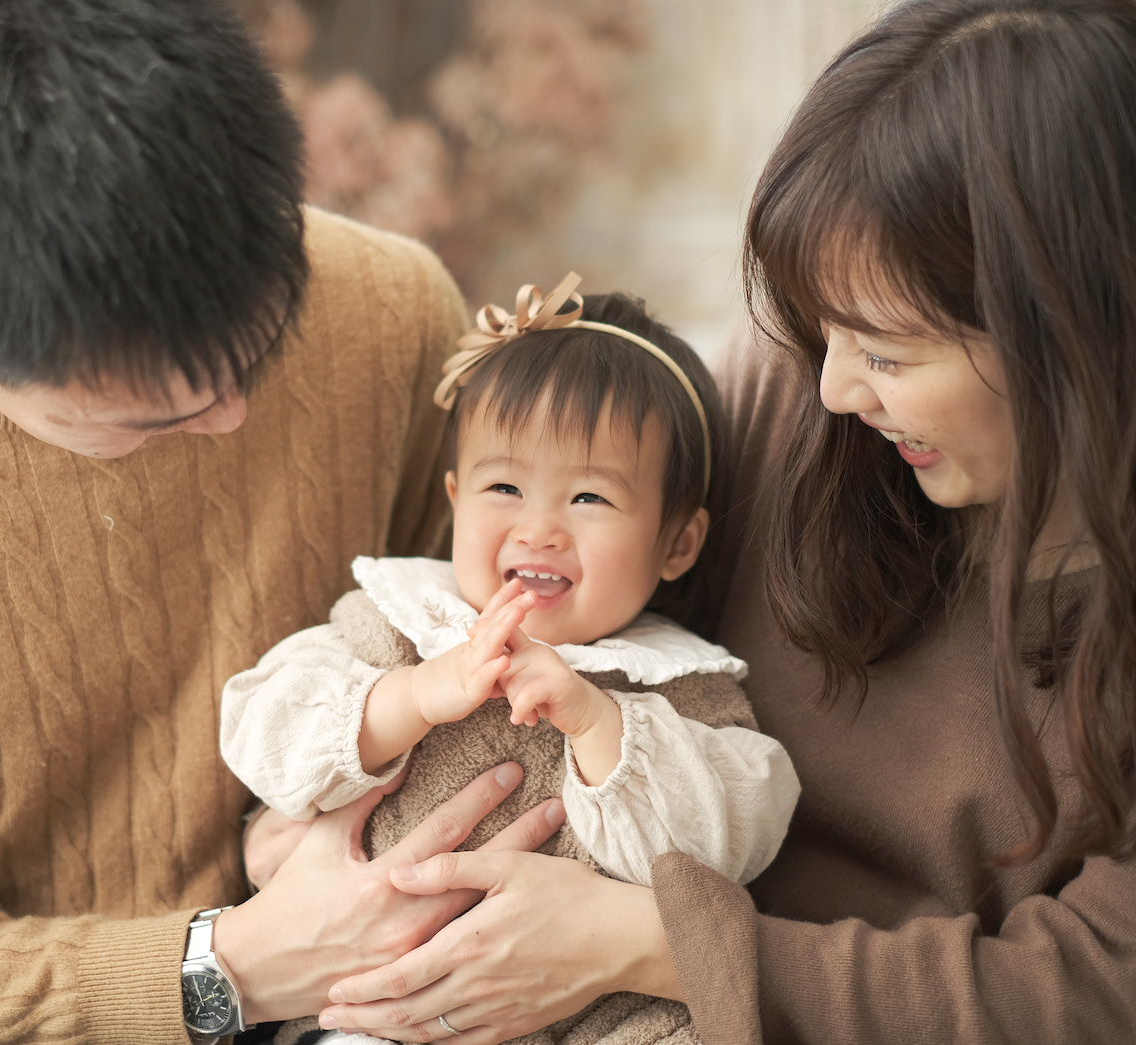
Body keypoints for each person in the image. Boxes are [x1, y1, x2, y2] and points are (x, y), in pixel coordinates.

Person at [0, 1, 571, 1042]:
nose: (235, 418)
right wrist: (233, 965)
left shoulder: (389, 306)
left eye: (263, 349)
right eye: (148, 419)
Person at [292, 2, 1136, 1042]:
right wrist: (316, 840)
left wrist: (653, 942)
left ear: (1074, 336)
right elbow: (537, 616)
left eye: (889, 352)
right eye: (819, 329)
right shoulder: (794, 399)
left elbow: (1114, 996)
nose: (839, 387)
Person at [223, 275, 799, 1045]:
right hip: (389, 997)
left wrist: (600, 724)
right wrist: (413, 697)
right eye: (504, 485)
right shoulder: (402, 622)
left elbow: (730, 836)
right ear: (456, 497)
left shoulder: (678, 682)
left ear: (677, 542)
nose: (540, 528)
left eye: (589, 498)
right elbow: (263, 731)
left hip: (593, 1008)